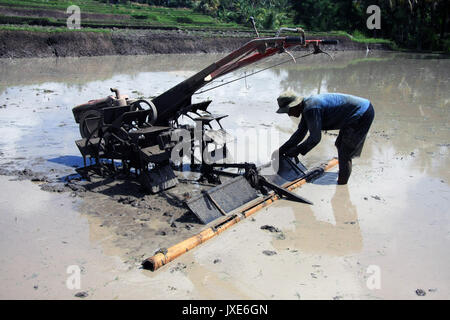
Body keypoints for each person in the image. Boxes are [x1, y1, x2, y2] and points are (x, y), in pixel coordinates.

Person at [273, 91, 375, 184]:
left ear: (296, 105)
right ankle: (343, 171)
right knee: (339, 144)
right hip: (355, 113)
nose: (289, 114)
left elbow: (315, 138)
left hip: (361, 113)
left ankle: (342, 185)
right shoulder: (306, 108)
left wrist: (297, 150)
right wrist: (281, 151)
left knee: (345, 153)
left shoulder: (311, 109)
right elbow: (299, 134)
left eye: (289, 110)